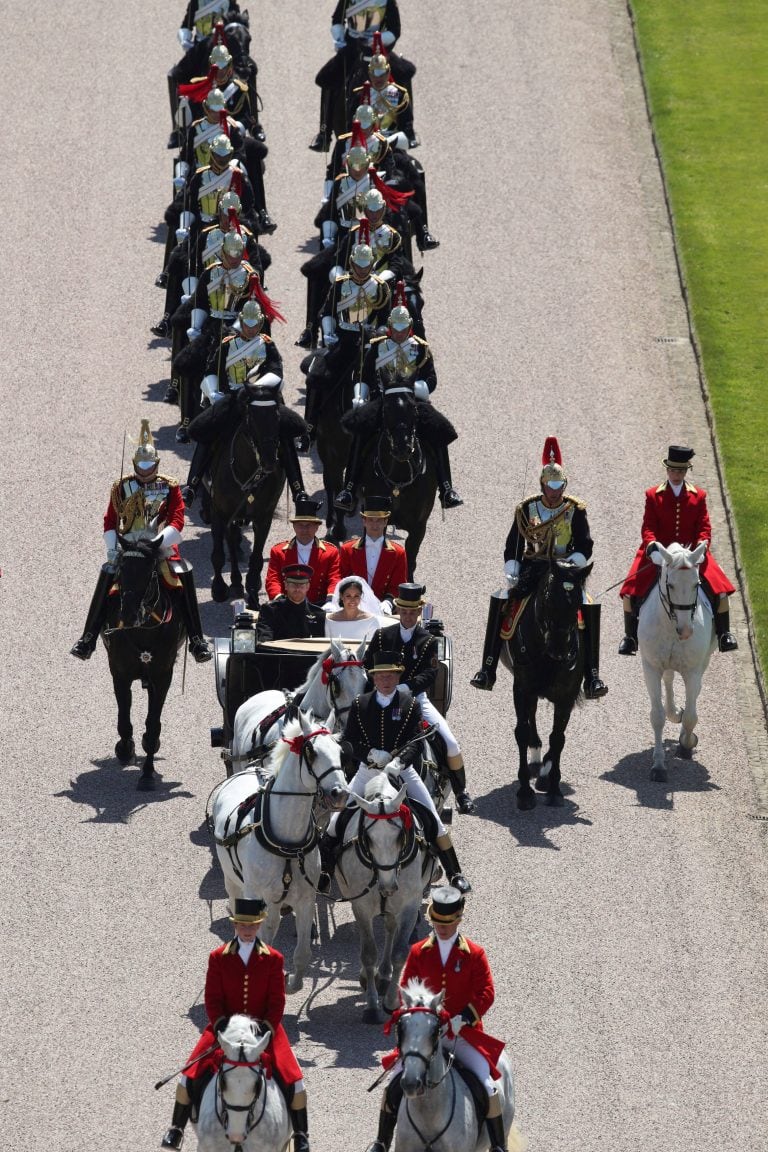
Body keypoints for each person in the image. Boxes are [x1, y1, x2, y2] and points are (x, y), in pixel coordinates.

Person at [160, 897, 311, 1152]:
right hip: (225, 1030)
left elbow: (277, 1001)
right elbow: (213, 998)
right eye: (242, 925)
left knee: (295, 1080)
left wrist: (267, 1027)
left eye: (252, 926)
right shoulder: (218, 957)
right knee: (189, 1076)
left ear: (260, 925)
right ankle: (176, 1128)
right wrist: (220, 1026)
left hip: (264, 1030)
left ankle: (301, 1135)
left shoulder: (273, 958)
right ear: (235, 925)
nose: (247, 930)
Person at [365, 887, 506, 1152]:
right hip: (424, 1034)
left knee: (488, 1085)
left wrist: (464, 1017)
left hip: (462, 1034)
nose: (442, 928)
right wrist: (420, 1014)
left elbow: (487, 992)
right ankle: (382, 1141)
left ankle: (498, 1146)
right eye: (437, 923)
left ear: (458, 920)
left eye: (448, 923)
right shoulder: (419, 952)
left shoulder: (474, 954)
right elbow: (406, 986)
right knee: (394, 1081)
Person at [470, 437, 607, 698]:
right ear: (542, 485)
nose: (556, 491)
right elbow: (514, 543)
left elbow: (585, 544)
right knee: (501, 600)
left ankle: (592, 676)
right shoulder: (526, 508)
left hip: (564, 568)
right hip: (534, 569)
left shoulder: (574, 509)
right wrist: (512, 565)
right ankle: (487, 669)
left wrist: (575, 562)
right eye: (551, 486)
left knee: (587, 604)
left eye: (560, 485)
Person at [328, 650, 471, 893]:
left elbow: (416, 740)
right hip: (368, 771)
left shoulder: (411, 704)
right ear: (373, 678)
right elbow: (348, 741)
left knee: (432, 819)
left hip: (402, 772)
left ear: (397, 677)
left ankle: (454, 873)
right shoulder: (360, 704)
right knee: (335, 822)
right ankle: (324, 873)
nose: (386, 680)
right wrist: (369, 754)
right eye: (381, 675)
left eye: (391, 675)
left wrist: (398, 762)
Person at [70, 421, 212, 664]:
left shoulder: (170, 486)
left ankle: (197, 640)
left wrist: (160, 540)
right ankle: (88, 637)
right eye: (141, 465)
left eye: (149, 465)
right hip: (129, 546)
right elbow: (110, 520)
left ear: (156, 463)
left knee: (185, 574)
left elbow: (177, 518)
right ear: (135, 463)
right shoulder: (121, 486)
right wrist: (113, 547)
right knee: (107, 575)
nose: (145, 470)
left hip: (160, 546)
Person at [333, 294, 462, 512]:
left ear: (410, 327)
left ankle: (446, 488)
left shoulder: (420, 347)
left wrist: (417, 389)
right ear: (390, 326)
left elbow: (431, 378)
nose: (400, 333)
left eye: (403, 329)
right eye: (396, 328)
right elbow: (363, 375)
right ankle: (350, 487)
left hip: (412, 400)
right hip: (382, 400)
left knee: (439, 432)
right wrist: (361, 395)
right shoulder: (378, 346)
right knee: (361, 434)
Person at [365, 584, 475, 814]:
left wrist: (405, 687)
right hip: (382, 697)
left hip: (416, 699)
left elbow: (430, 673)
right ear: (398, 611)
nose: (407, 616)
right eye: (403, 611)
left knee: (450, 742)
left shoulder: (428, 640)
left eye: (412, 612)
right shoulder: (383, 636)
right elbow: (368, 663)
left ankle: (460, 791)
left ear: (418, 613)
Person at [618, 445, 737, 654]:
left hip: (692, 555)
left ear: (686, 472)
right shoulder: (653, 495)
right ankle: (630, 637)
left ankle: (724, 634)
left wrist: (702, 546)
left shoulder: (698, 496)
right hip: (659, 554)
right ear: (667, 470)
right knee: (630, 592)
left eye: (680, 471)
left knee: (721, 591)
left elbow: (704, 527)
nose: (676, 475)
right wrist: (652, 546)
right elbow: (648, 527)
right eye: (673, 471)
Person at [265, 498, 341, 604]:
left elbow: (335, 578)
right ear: (294, 526)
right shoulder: (278, 552)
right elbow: (273, 580)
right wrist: (279, 600)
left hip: (319, 607)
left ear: (317, 527)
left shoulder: (331, 552)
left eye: (308, 525)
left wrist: (330, 600)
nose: (304, 530)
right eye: (300, 525)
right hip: (287, 606)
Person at [338, 493, 408, 606]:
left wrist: (388, 603)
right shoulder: (347, 549)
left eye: (379, 520)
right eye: (370, 520)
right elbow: (341, 579)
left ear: (386, 522)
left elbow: (397, 585)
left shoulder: (398, 553)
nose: (374, 525)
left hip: (382, 608)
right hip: (352, 607)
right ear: (364, 521)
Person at [255, 564, 327, 643]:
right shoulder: (270, 611)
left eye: (301, 585)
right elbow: (265, 640)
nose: (297, 589)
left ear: (308, 586)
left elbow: (320, 645)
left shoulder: (318, 614)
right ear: (286, 585)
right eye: (293, 585)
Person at [324, 575, 381, 641]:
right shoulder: (329, 620)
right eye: (348, 596)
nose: (352, 600)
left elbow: (374, 647)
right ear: (341, 596)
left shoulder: (372, 620)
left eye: (356, 596)